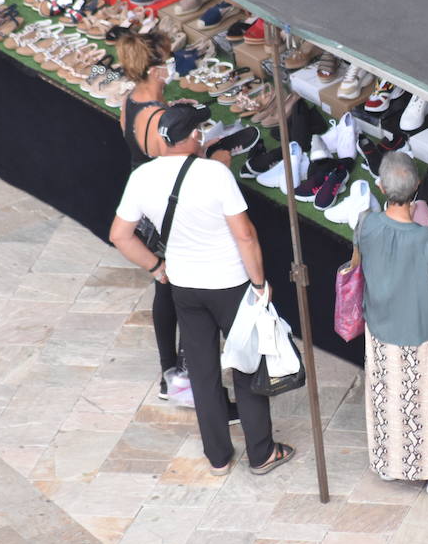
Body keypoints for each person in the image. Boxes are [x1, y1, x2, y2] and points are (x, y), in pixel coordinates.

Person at [109, 105, 295, 476]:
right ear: (195, 137)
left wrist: (157, 267)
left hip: (184, 286)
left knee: (203, 371)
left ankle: (218, 456)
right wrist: (259, 283)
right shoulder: (215, 174)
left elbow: (119, 235)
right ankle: (261, 453)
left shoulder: (143, 177)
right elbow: (245, 235)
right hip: (230, 284)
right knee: (247, 363)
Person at [356, 152, 428, 495]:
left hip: (378, 325)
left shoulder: (366, 222)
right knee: (425, 401)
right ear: (418, 187)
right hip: (420, 330)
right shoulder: (426, 239)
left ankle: (391, 463)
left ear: (380, 186)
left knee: (387, 397)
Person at [115, 31, 184, 395]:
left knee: (165, 286)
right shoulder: (158, 119)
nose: (173, 68)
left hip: (142, 203)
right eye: (170, 62)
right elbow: (183, 168)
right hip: (164, 214)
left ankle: (168, 370)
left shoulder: (131, 101)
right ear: (157, 70)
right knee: (179, 288)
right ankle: (181, 376)